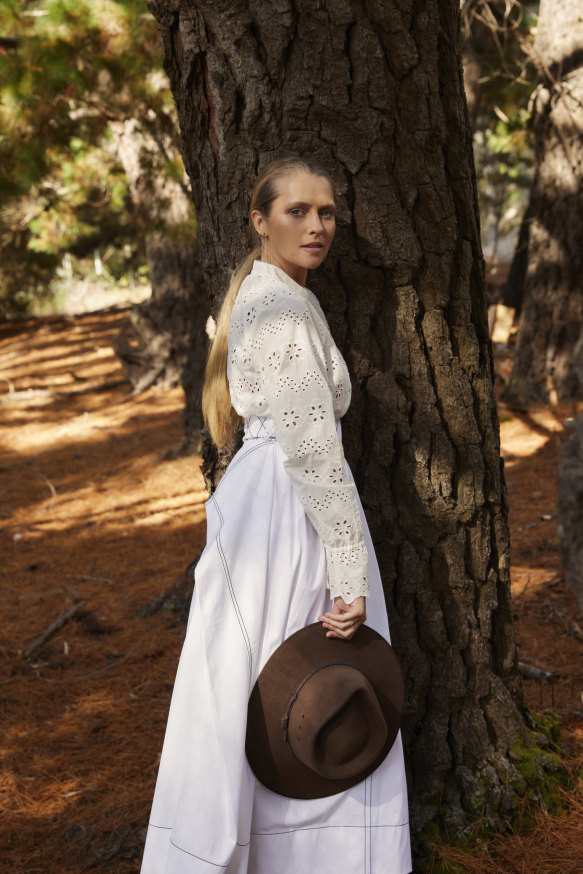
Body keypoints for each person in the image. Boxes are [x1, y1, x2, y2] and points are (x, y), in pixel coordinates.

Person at [140, 157, 412, 874]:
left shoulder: (271, 296)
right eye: (296, 211)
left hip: (270, 501)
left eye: (326, 212)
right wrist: (348, 573)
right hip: (292, 515)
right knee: (302, 678)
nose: (317, 225)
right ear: (258, 220)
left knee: (260, 684)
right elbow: (316, 457)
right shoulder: (280, 309)